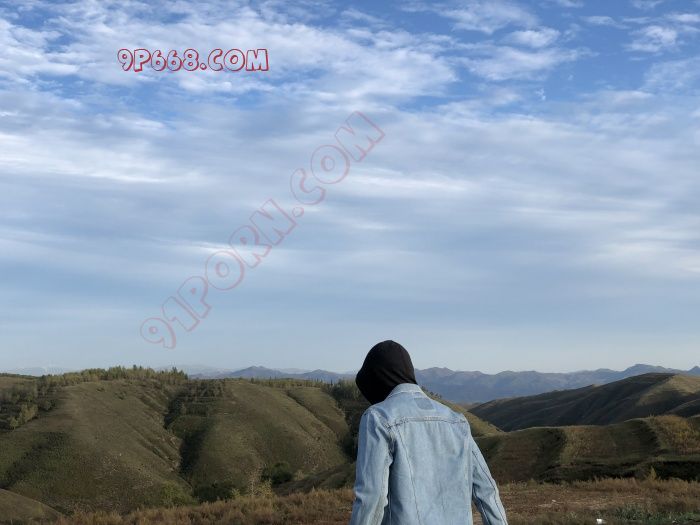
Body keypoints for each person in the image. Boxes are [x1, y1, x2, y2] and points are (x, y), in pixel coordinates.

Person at [349, 340, 508, 525]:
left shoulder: (378, 417)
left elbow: (372, 498)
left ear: (376, 380)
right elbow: (486, 490)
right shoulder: (457, 420)